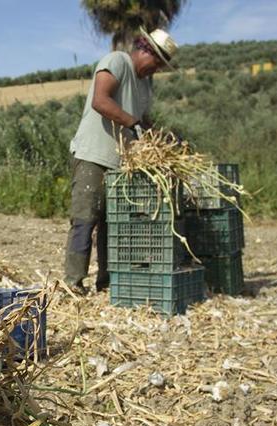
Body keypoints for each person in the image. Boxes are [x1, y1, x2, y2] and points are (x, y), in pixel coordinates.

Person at [63, 28, 179, 295]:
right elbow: (100, 101)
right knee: (85, 218)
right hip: (93, 154)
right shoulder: (116, 61)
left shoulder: (146, 83)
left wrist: (156, 136)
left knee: (111, 224)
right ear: (145, 50)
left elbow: (140, 118)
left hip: (120, 162)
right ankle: (73, 282)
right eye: (157, 63)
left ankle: (106, 281)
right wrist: (133, 123)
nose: (157, 70)